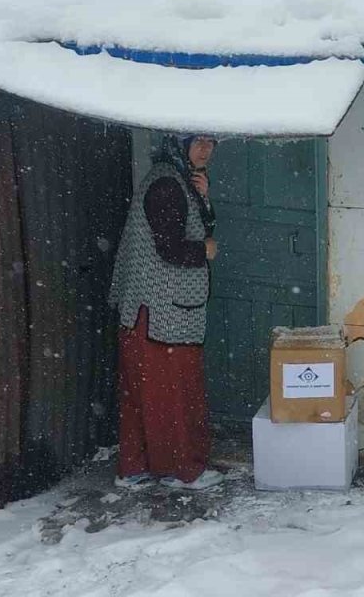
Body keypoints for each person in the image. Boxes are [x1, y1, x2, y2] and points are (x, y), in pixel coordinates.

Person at [108, 133, 223, 490]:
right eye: (198, 141)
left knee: (147, 393)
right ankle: (181, 469)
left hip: (156, 311)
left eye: (211, 142)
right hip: (159, 313)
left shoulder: (179, 180)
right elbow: (170, 247)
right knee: (172, 394)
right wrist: (204, 250)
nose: (205, 149)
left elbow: (192, 227)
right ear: (179, 143)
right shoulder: (166, 185)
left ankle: (136, 467)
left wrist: (204, 199)